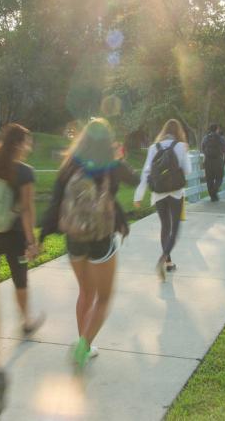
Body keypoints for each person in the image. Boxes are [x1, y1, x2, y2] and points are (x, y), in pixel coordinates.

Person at [41, 118, 139, 370]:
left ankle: (84, 342)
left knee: (85, 291)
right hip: (100, 238)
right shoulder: (111, 164)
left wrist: (41, 236)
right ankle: (83, 345)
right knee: (104, 298)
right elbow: (134, 180)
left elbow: (55, 202)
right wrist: (119, 157)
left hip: (74, 237)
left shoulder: (70, 164)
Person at [0, 123, 45, 336]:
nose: (29, 146)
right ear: (19, 143)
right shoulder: (25, 172)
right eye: (27, 142)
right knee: (20, 279)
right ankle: (26, 321)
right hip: (15, 236)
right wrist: (31, 242)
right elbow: (27, 209)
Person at [135, 119, 193, 280]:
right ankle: (163, 258)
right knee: (175, 228)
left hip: (158, 193)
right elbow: (188, 170)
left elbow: (146, 172)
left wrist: (138, 196)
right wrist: (185, 153)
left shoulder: (154, 147)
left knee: (164, 226)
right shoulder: (181, 147)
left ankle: (168, 262)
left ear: (164, 131)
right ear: (178, 132)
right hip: (175, 192)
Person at [200, 124, 225, 202]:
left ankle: (213, 196)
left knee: (209, 179)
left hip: (208, 161)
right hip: (218, 160)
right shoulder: (221, 138)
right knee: (219, 177)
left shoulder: (205, 138)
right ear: (217, 129)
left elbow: (202, 148)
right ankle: (214, 192)